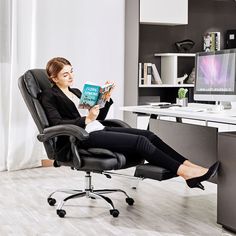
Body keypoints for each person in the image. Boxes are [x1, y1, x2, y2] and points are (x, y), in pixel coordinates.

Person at [40, 57, 219, 190]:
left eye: (72, 71)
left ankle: (190, 166)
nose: (71, 76)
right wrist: (85, 120)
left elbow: (97, 117)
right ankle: (186, 174)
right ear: (54, 78)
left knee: (148, 135)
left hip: (95, 128)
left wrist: (105, 99)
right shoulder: (49, 96)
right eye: (65, 74)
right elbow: (56, 123)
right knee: (140, 143)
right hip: (80, 136)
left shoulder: (77, 92)